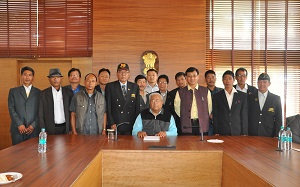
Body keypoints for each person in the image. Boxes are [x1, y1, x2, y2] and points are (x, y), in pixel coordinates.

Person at [8, 66, 41, 145]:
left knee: (33, 155)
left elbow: (41, 111)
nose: (27, 77)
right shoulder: (13, 91)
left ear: (33, 77)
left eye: (30, 75)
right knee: (17, 154)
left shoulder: (39, 92)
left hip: (34, 130)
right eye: (25, 74)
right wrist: (19, 124)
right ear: (21, 76)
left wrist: (33, 125)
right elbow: (11, 108)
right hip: (17, 129)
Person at [174, 67, 212, 135]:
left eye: (194, 76)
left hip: (202, 124)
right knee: (187, 144)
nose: (192, 78)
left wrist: (202, 116)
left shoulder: (205, 91)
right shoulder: (180, 92)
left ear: (198, 77)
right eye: (189, 76)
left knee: (202, 144)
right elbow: (177, 108)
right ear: (186, 77)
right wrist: (185, 116)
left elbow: (209, 107)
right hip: (187, 124)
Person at [105, 63, 140, 134]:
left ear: (129, 74)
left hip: (130, 123)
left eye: (125, 72)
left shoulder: (135, 87)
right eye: (120, 72)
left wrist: (137, 124)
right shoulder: (110, 86)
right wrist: (111, 123)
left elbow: (137, 107)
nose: (123, 74)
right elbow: (108, 107)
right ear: (117, 74)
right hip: (116, 124)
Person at [213, 70, 248, 136]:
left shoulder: (242, 96)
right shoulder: (217, 96)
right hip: (222, 131)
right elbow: (215, 115)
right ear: (222, 80)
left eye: (230, 78)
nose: (227, 81)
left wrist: (244, 132)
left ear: (234, 79)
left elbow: (244, 115)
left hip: (237, 131)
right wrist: (216, 131)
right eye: (225, 79)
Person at [39, 68, 73, 135]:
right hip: (50, 128)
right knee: (51, 145)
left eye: (57, 77)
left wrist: (70, 128)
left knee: (66, 145)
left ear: (61, 79)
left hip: (65, 128)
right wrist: (43, 129)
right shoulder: (43, 94)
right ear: (49, 79)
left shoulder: (68, 93)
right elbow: (40, 114)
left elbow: (71, 112)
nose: (55, 79)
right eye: (53, 77)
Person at [248, 73, 282, 137]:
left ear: (269, 83)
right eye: (260, 82)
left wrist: (278, 135)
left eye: (264, 82)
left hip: (269, 133)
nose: (262, 84)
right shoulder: (250, 97)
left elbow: (278, 119)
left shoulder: (275, 99)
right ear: (257, 83)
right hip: (252, 133)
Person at [205, 70, 223, 135]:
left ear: (216, 79)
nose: (211, 79)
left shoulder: (222, 91)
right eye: (208, 77)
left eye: (212, 77)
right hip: (207, 122)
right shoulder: (202, 92)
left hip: (220, 121)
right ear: (205, 79)